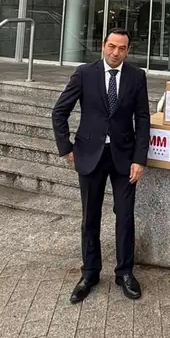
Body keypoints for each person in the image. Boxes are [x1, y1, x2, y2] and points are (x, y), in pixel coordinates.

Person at [52, 28, 151, 303]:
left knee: (125, 215)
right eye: (111, 46)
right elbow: (60, 111)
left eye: (121, 48)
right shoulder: (85, 73)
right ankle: (90, 273)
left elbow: (143, 119)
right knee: (90, 217)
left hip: (124, 157)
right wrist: (66, 148)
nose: (115, 52)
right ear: (103, 46)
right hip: (89, 154)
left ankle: (125, 273)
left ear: (127, 50)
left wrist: (139, 159)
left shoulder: (136, 76)